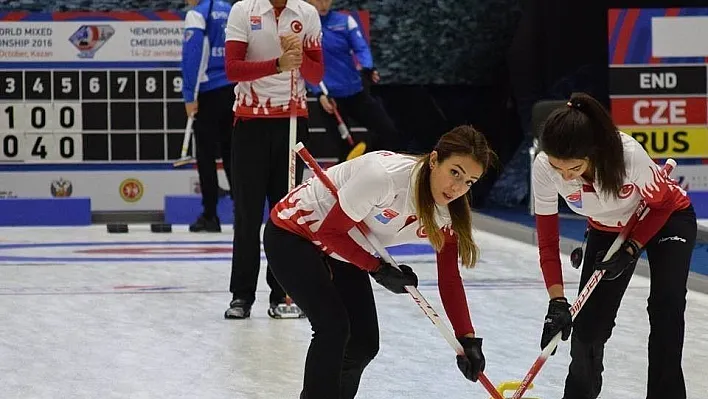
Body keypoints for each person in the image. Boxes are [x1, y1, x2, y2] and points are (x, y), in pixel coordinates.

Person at [263, 125, 497, 398]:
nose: (457, 187)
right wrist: (377, 269)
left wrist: (467, 337)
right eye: (454, 172)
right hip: (296, 232)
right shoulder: (385, 178)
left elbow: (449, 278)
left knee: (363, 344)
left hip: (345, 246)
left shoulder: (448, 213)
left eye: (469, 181)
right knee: (333, 327)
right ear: (434, 160)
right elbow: (329, 232)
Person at [532, 92, 696, 399]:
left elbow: (660, 206)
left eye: (574, 169)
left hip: (666, 217)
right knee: (587, 328)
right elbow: (547, 239)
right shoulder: (543, 166)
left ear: (592, 153)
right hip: (606, 228)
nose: (565, 176)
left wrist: (632, 248)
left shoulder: (627, 156)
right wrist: (556, 301)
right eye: (558, 169)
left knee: (666, 306)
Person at [223, 0, 323, 319]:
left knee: (287, 218)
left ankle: (282, 293)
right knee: (248, 214)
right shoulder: (243, 10)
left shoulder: (306, 14)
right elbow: (232, 68)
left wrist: (300, 56)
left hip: (293, 122)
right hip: (250, 123)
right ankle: (241, 295)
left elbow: (317, 72)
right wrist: (278, 64)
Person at [305, 0, 403, 162]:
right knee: (343, 149)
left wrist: (367, 67)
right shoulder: (304, 28)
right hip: (329, 99)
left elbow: (361, 48)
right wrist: (319, 93)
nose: (323, 3)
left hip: (356, 93)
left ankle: (375, 165)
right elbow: (304, 64)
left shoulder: (344, 21)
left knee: (388, 131)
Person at [181, 0, 235, 232]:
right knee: (233, 155)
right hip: (234, 90)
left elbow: (193, 55)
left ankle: (210, 215)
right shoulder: (231, 9)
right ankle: (243, 214)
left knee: (205, 156)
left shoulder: (198, 14)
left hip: (208, 91)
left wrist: (189, 95)